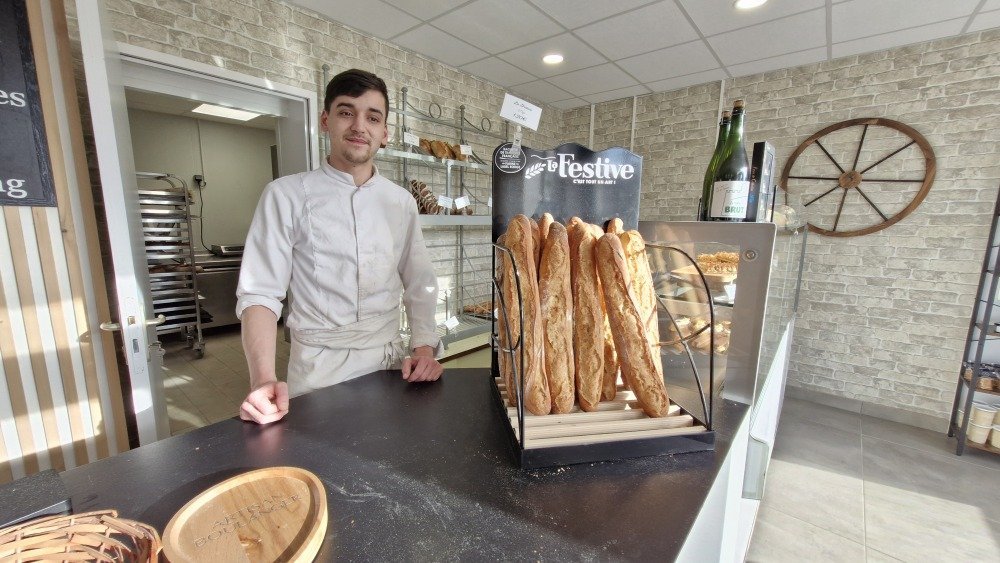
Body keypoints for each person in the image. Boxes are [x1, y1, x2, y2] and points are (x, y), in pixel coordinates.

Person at [236, 69, 443, 424]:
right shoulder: (285, 195)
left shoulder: (401, 202)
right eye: (347, 112)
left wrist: (424, 347)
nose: (360, 126)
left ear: (384, 133)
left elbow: (419, 280)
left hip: (388, 365)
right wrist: (263, 378)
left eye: (373, 117)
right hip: (318, 369)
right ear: (325, 120)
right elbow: (260, 295)